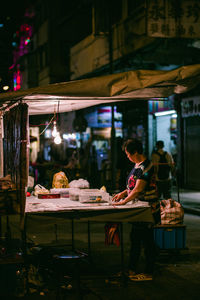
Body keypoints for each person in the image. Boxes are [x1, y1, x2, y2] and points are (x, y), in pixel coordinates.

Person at [112, 138, 160, 281]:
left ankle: (149, 272)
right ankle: (132, 269)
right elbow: (132, 187)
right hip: (138, 209)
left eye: (128, 154)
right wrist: (123, 193)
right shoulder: (137, 165)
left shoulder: (147, 166)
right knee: (135, 240)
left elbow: (138, 189)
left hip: (148, 210)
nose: (127, 157)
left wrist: (124, 202)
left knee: (147, 242)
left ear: (136, 152)